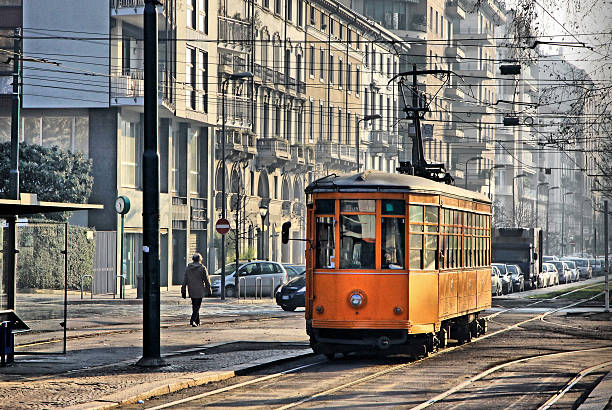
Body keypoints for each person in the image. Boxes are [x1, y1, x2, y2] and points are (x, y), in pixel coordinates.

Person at [181, 253, 212, 327]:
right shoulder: (202, 268)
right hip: (200, 290)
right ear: (200, 259)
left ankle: (197, 321)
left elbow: (185, 279)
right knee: (197, 306)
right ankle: (192, 320)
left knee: (194, 305)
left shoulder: (188, 268)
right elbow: (206, 280)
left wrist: (183, 289)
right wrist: (209, 289)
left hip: (191, 289)